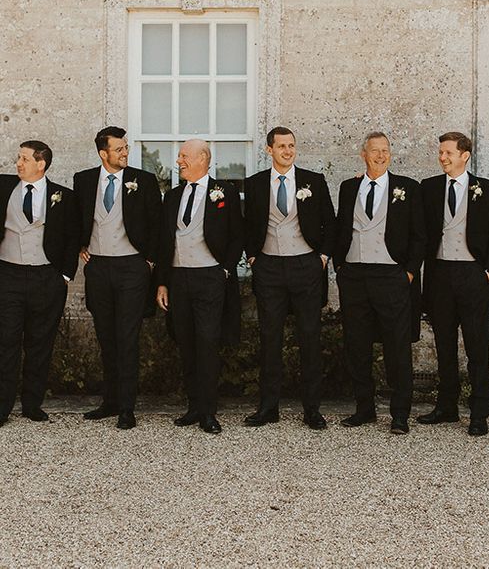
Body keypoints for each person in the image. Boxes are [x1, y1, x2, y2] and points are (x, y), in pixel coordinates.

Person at [242, 126, 335, 431]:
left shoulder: (314, 181)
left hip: (306, 267)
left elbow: (329, 224)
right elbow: (247, 224)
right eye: (281, 146)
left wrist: (321, 257)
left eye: (291, 145)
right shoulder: (255, 184)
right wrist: (254, 256)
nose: (288, 151)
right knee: (270, 339)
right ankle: (269, 407)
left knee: (309, 338)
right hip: (268, 267)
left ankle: (312, 410)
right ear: (269, 150)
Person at [333, 132, 425, 434]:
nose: (381, 156)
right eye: (375, 151)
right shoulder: (349, 187)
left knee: (396, 346)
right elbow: (341, 228)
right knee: (357, 344)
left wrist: (408, 273)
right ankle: (364, 408)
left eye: (386, 150)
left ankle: (400, 414)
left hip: (391, 276)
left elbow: (418, 235)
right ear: (364, 154)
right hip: (355, 275)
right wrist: (340, 266)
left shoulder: (408, 188)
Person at [73, 127, 162, 430]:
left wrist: (149, 261)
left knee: (127, 337)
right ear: (103, 154)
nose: (126, 153)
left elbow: (157, 224)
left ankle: (127, 407)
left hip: (132, 269)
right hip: (98, 269)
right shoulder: (84, 181)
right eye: (120, 149)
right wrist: (79, 245)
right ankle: (109, 401)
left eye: (126, 148)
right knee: (105, 336)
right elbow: (75, 218)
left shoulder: (144, 180)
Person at [418, 132, 489, 436]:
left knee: (477, 346)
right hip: (440, 273)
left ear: (464, 155)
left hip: (473, 274)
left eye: (448, 153)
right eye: (440, 153)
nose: (443, 158)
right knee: (444, 344)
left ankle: (479, 412)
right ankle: (446, 407)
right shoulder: (428, 188)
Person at [156, 139, 243, 435]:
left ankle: (209, 411)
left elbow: (236, 235)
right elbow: (165, 242)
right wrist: (164, 282)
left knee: (207, 342)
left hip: (210, 277)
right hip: (179, 278)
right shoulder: (173, 195)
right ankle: (193, 407)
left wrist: (226, 270)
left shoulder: (225, 192)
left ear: (203, 158)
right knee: (186, 342)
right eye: (179, 156)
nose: (178, 160)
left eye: (184, 156)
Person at [0, 141, 79, 427]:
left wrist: (65, 275)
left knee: (40, 343)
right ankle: (2, 407)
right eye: (18, 158)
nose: (18, 163)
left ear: (40, 163)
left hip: (47, 278)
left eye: (23, 159)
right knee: (6, 341)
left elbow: (73, 236)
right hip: (8, 274)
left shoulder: (63, 196)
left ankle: (32, 404)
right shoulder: (3, 187)